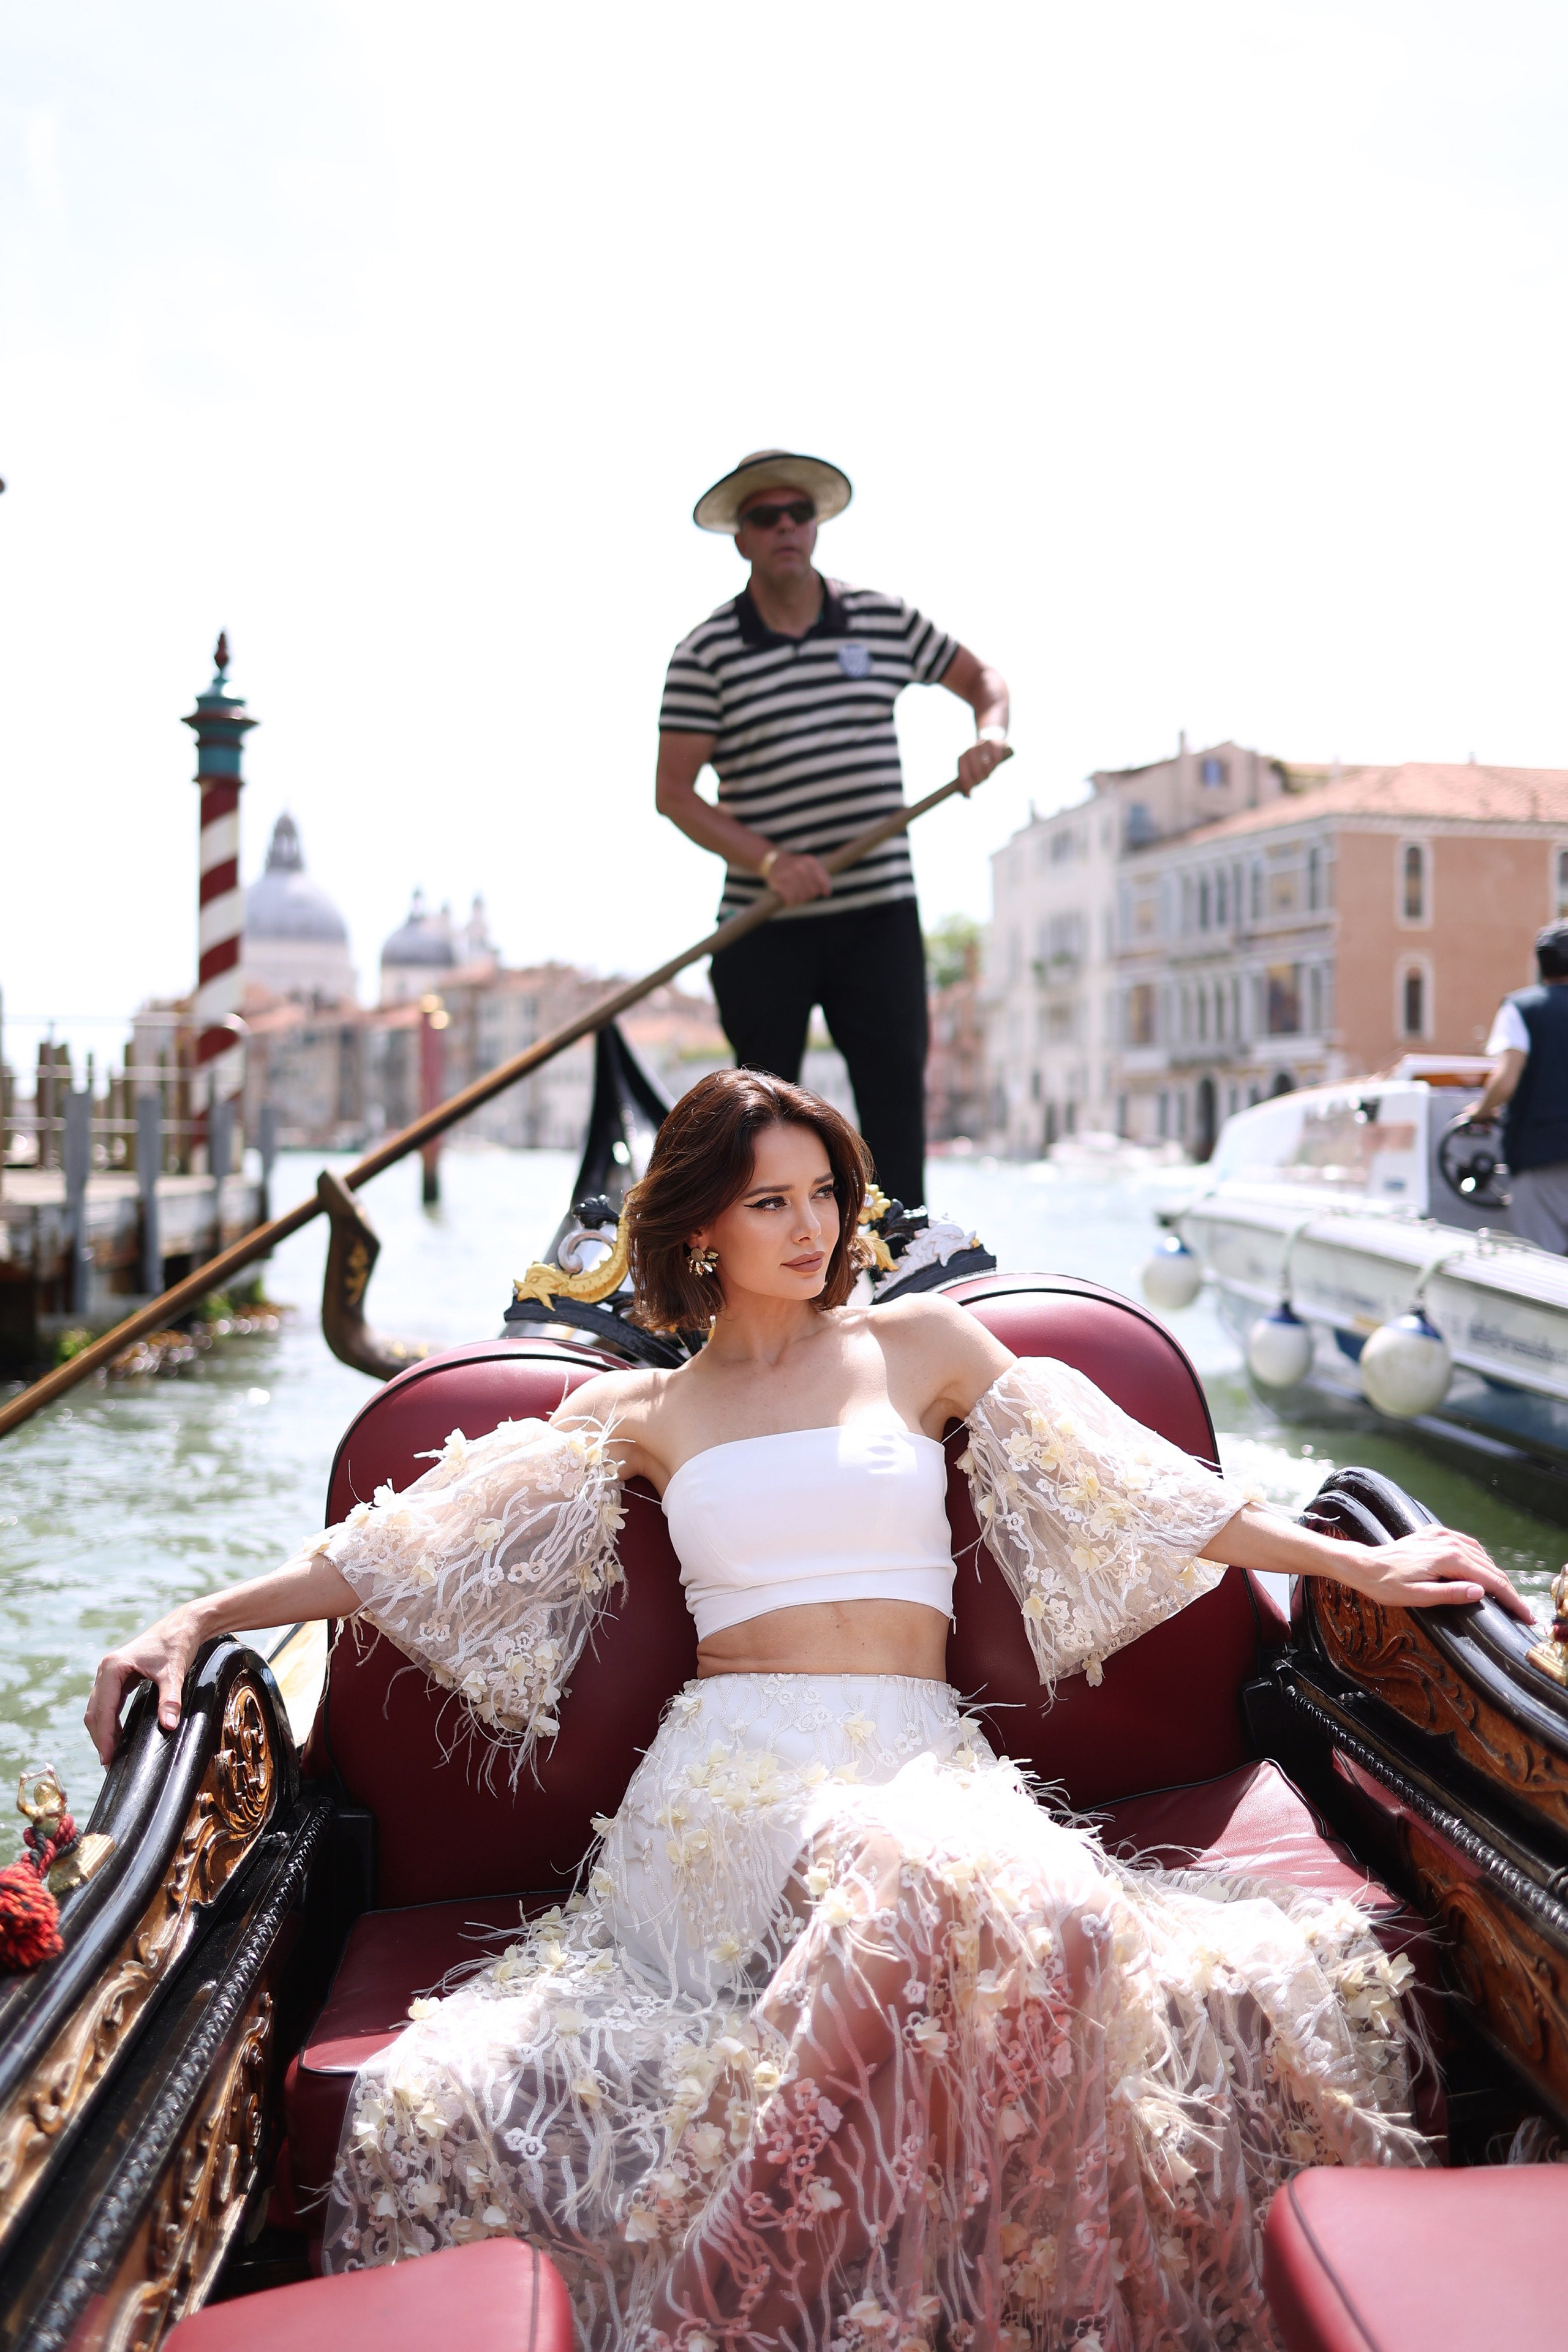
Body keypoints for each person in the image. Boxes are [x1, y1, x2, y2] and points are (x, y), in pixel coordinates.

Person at [86, 1070, 1525, 2352]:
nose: (809, 1222)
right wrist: (203, 1615)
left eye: (823, 1190)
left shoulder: (922, 1348)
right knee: (923, 1898)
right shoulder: (641, 1413)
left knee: (1067, 1922)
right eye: (767, 1198)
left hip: (917, 1753)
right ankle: (731, 2307)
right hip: (731, 1779)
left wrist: (1357, 1557)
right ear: (701, 1226)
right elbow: (410, 1540)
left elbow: (1137, 1483)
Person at [656, 449, 1010, 1211]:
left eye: (798, 513)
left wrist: (990, 732)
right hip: (764, 924)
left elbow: (983, 681)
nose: (784, 526)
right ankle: (766, 1296)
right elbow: (674, 795)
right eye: (764, 517)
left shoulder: (882, 619)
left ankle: (905, 1275)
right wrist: (772, 860)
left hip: (876, 916)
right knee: (761, 1129)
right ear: (742, 538)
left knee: (894, 1115)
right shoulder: (704, 654)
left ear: (814, 528)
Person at [1467, 919, 1568, 1251]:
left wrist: (1481, 1110)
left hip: (1541, 1155)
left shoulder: (1522, 1008)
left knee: (1545, 1263)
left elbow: (1507, 1078)